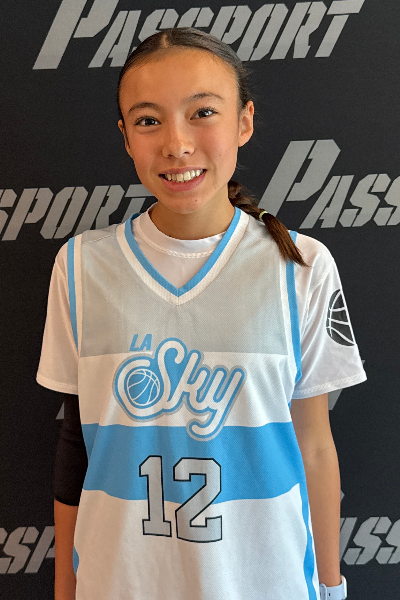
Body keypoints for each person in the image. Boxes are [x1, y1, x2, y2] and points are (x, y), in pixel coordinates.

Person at [37, 27, 366, 600]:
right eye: (148, 120)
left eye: (203, 113)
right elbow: (75, 446)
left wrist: (331, 586)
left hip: (265, 583)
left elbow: (315, 446)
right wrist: (67, 588)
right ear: (126, 137)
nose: (177, 144)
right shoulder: (80, 266)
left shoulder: (302, 266)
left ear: (244, 122)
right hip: (120, 584)